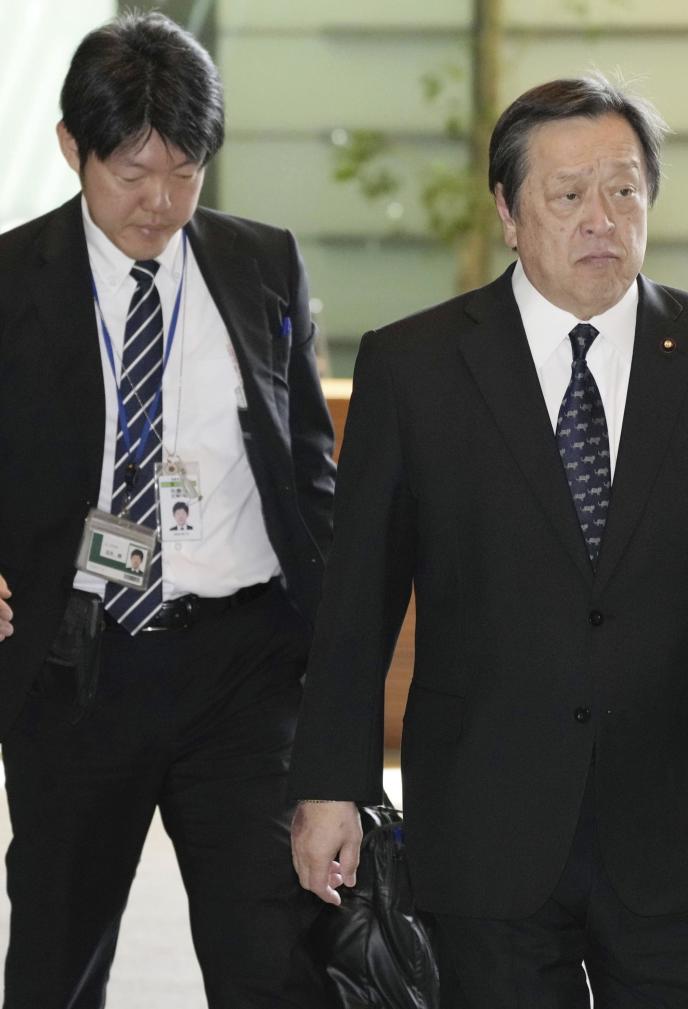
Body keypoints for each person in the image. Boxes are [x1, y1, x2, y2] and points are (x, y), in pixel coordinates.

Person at [289, 75, 688, 1009]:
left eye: (624, 189)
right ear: (509, 211)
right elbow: (358, 595)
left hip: (679, 833)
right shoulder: (417, 367)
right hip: (485, 829)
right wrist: (330, 783)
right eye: (569, 194)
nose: (602, 217)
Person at [0, 13, 336, 1008]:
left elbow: (310, 467)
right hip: (77, 666)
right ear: (73, 149)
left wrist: (340, 651)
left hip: (243, 668)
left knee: (272, 958)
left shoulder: (262, 264)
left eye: (184, 171)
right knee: (55, 959)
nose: (159, 202)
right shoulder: (11, 281)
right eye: (131, 172)